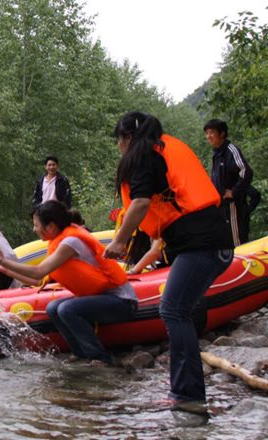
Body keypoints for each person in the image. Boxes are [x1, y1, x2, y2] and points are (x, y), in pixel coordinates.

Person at [105, 112, 232, 414]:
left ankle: (188, 396)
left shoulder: (144, 156)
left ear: (126, 138)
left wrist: (118, 242)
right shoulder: (159, 150)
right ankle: (185, 392)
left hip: (204, 244)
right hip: (209, 242)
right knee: (178, 309)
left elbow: (140, 203)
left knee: (173, 309)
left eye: (119, 140)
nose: (119, 147)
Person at [0, 201, 137, 365]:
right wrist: (5, 270)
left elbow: (39, 271)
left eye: (36, 225)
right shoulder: (59, 242)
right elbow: (37, 280)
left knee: (67, 309)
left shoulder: (70, 243)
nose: (34, 229)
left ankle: (99, 358)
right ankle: (80, 353)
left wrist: (2, 260)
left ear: (50, 226)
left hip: (122, 301)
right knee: (53, 308)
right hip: (103, 298)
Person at [204, 119, 253, 245]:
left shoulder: (231, 150)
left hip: (233, 205)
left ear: (222, 134)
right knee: (226, 240)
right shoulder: (217, 153)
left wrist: (234, 192)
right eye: (207, 133)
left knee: (237, 241)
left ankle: (243, 263)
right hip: (221, 206)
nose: (208, 136)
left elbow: (246, 171)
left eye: (211, 133)